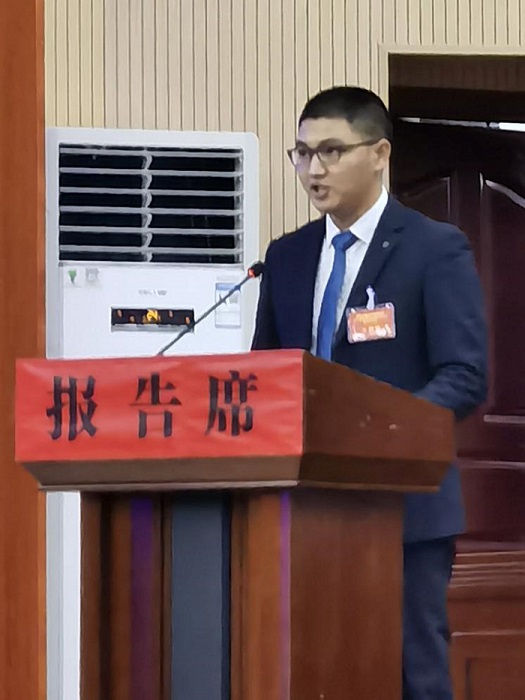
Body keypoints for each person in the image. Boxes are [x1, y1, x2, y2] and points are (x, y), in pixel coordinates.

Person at [251, 86, 488, 700]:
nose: (314, 169)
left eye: (331, 151)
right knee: (311, 669)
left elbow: (464, 375)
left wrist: (376, 433)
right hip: (304, 510)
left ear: (379, 154)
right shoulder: (287, 257)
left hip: (403, 508)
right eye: (302, 153)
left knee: (411, 674)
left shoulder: (434, 248)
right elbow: (266, 377)